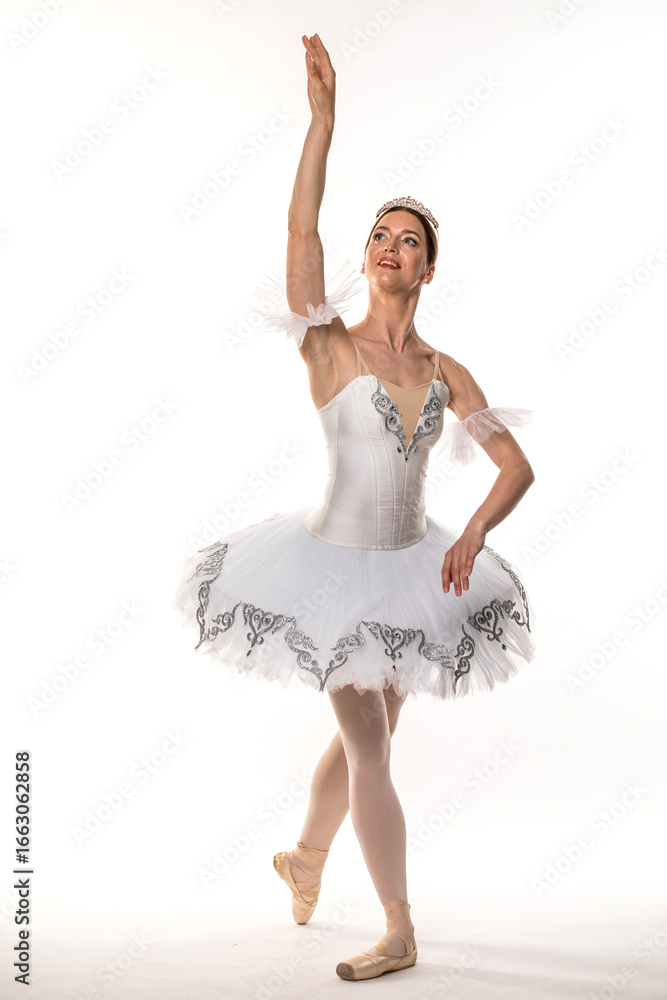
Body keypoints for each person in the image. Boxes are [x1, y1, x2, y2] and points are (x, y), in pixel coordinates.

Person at [173, 32, 536, 982]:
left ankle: (306, 857)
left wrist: (477, 537)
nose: (387, 247)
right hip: (325, 570)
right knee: (370, 745)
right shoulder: (329, 347)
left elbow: (514, 467)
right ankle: (399, 926)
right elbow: (301, 246)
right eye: (380, 234)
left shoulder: (444, 369)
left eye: (406, 240)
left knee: (362, 734)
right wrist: (320, 126)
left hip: (411, 569)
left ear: (426, 269)